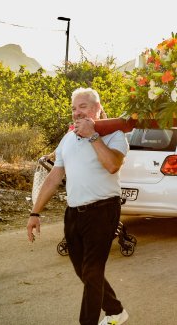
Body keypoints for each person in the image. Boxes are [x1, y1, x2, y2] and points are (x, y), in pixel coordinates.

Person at [27, 88, 130, 325]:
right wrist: (35, 212)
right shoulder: (67, 138)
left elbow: (113, 165)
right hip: (74, 212)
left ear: (97, 108)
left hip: (103, 210)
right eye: (74, 108)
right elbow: (54, 176)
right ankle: (115, 310)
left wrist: (93, 135)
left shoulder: (114, 134)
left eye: (82, 106)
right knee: (83, 271)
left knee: (92, 272)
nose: (76, 112)